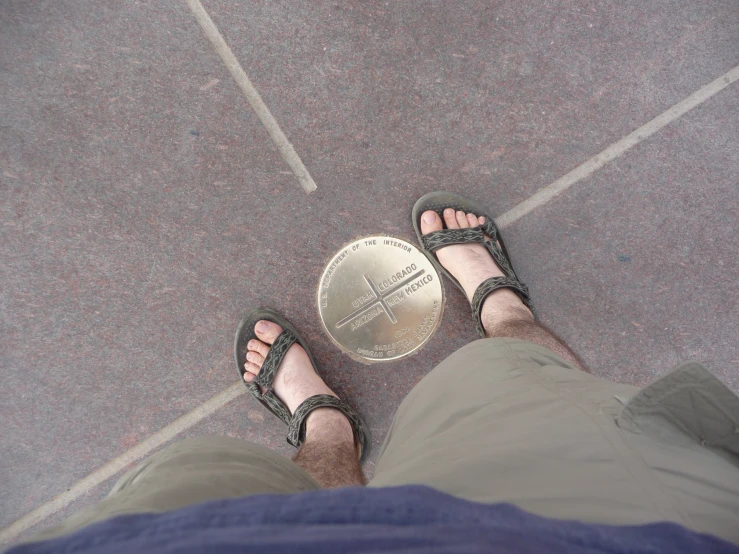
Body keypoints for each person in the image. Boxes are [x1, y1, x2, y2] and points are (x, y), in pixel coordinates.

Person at [9, 192, 739, 553]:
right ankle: (506, 317)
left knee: (217, 482)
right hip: (592, 527)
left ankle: (326, 430)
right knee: (517, 393)